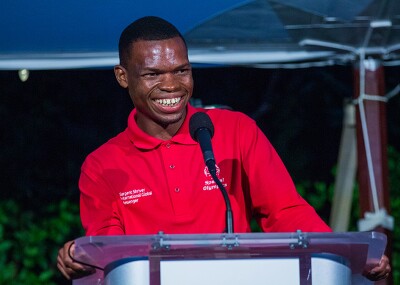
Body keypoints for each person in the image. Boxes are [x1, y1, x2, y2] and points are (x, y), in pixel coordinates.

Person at [57, 16, 391, 281]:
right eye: (152, 74)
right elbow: (109, 253)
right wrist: (79, 256)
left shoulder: (235, 131)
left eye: (181, 70)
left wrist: (345, 256)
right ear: (122, 76)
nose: (171, 85)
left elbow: (285, 212)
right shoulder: (102, 164)